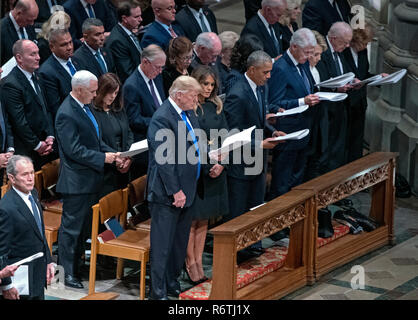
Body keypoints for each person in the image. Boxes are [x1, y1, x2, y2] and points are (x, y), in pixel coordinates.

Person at [55, 70, 121, 289]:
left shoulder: (84, 107)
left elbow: (95, 140)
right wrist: (104, 158)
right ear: (79, 89)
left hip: (90, 179)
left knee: (83, 229)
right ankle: (66, 273)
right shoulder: (67, 113)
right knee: (71, 230)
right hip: (76, 183)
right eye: (92, 91)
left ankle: (78, 265)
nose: (95, 95)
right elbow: (74, 150)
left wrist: (113, 154)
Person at [223, 50, 284, 259]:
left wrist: (271, 131)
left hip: (257, 159)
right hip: (241, 162)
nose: (269, 77)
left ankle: (253, 243)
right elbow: (232, 135)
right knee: (239, 210)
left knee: (256, 205)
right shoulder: (237, 94)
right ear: (251, 70)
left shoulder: (260, 88)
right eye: (265, 72)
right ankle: (237, 252)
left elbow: (258, 120)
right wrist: (261, 144)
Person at [146, 75, 203, 300]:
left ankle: (171, 283)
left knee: (179, 244)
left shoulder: (188, 114)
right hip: (167, 194)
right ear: (179, 95)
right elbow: (165, 160)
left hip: (188, 189)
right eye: (193, 95)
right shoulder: (162, 118)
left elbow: (196, 146)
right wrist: (175, 191)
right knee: (162, 246)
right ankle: (157, 292)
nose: (196, 100)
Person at [185, 66, 229, 284]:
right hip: (196, 170)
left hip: (215, 168)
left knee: (203, 220)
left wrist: (221, 163)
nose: (209, 89)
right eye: (205, 84)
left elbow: (226, 138)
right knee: (191, 220)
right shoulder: (190, 108)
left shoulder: (216, 106)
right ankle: (190, 262)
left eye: (212, 85)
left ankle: (199, 260)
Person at [267, 28, 320, 200]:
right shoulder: (280, 68)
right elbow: (274, 103)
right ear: (294, 46)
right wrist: (301, 101)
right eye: (307, 52)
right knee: (282, 181)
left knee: (297, 179)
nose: (309, 56)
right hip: (287, 132)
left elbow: (308, 88)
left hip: (304, 128)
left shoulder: (303, 62)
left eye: (312, 52)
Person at [0, 155, 55, 300]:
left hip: (38, 272)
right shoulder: (6, 208)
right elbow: (1, 252)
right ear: (12, 178)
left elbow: (40, 232)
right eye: (25, 174)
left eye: (32, 172)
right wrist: (6, 286)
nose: (31, 178)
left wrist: (48, 260)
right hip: (19, 280)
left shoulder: (34, 193)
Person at [1, 40, 56, 171]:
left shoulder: (37, 76)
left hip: (45, 143)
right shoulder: (11, 84)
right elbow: (19, 121)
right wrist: (37, 145)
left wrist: (50, 135)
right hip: (27, 150)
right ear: (19, 58)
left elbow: (45, 109)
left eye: (37, 53)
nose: (38, 57)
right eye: (33, 54)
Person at [343, 23, 387, 163]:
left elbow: (364, 74)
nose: (367, 45)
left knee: (357, 140)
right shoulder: (343, 52)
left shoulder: (362, 54)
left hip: (360, 102)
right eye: (365, 42)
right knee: (344, 140)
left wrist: (379, 78)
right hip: (346, 103)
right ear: (357, 40)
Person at [123, 44, 166, 179]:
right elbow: (134, 119)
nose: (160, 71)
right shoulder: (132, 85)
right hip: (145, 147)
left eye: (162, 67)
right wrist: (159, 122)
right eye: (158, 67)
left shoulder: (156, 77)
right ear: (145, 62)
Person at [317, 21, 354, 172]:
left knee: (337, 151)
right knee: (325, 154)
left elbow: (343, 73)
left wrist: (353, 80)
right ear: (333, 38)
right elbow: (320, 80)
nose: (347, 46)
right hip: (326, 110)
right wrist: (337, 89)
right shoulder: (322, 52)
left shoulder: (339, 52)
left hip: (339, 108)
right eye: (344, 42)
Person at [92, 73, 134, 198]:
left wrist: (128, 157)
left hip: (124, 165)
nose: (113, 97)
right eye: (110, 92)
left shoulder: (118, 108)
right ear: (101, 90)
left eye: (116, 93)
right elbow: (97, 141)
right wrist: (117, 158)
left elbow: (128, 132)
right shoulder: (92, 112)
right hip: (106, 170)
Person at [304, 30, 329, 181]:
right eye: (316, 54)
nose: (319, 59)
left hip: (318, 120)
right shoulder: (301, 70)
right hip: (305, 121)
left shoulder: (316, 69)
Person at [39, 28, 80, 120]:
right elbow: (56, 108)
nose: (69, 47)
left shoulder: (77, 60)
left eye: (70, 42)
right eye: (64, 45)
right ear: (52, 47)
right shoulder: (46, 72)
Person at [106, 0, 143, 83]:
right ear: (124, 19)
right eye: (136, 17)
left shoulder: (130, 31)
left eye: (140, 16)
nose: (141, 19)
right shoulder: (117, 41)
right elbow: (127, 72)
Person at [0, 0, 39, 65]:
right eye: (29, 20)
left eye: (33, 20)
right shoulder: (2, 30)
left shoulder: (28, 23)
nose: (32, 24)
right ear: (19, 13)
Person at [0, 68, 15, 189]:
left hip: (3, 160)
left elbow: (7, 122)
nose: (1, 70)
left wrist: (10, 149)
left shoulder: (1, 90)